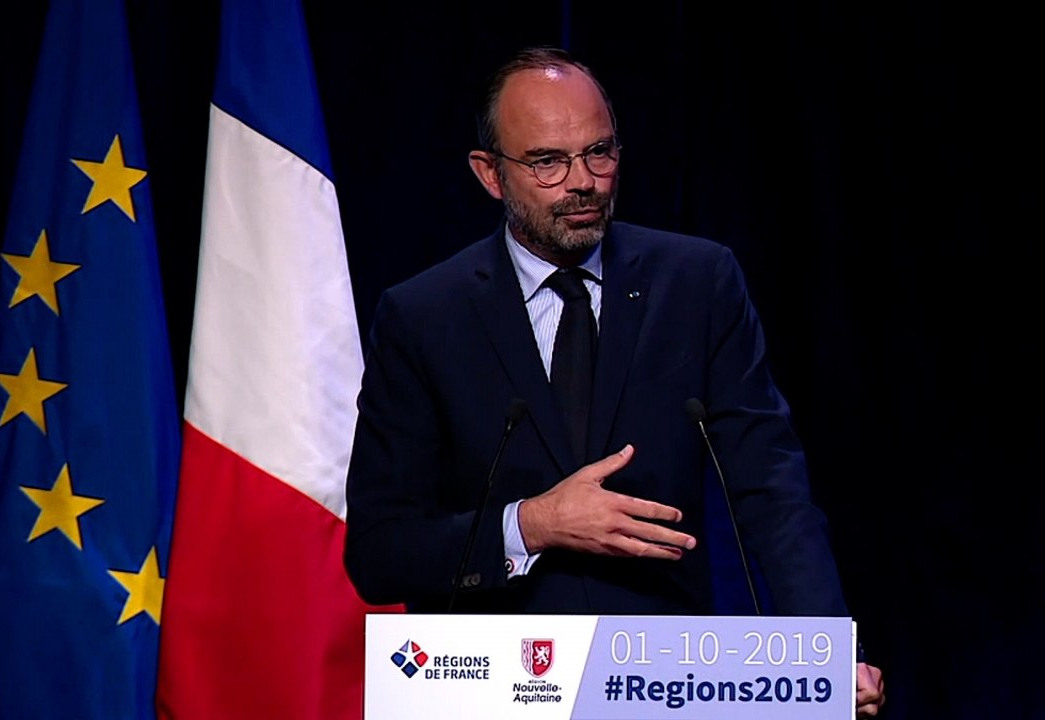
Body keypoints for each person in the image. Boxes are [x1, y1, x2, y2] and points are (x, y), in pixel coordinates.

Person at [343, 46, 886, 716]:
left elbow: (770, 490)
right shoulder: (425, 316)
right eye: (548, 161)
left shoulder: (696, 284)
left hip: (662, 686)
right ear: (490, 174)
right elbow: (379, 553)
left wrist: (825, 651)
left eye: (600, 152)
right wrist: (532, 525)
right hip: (486, 693)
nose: (584, 181)